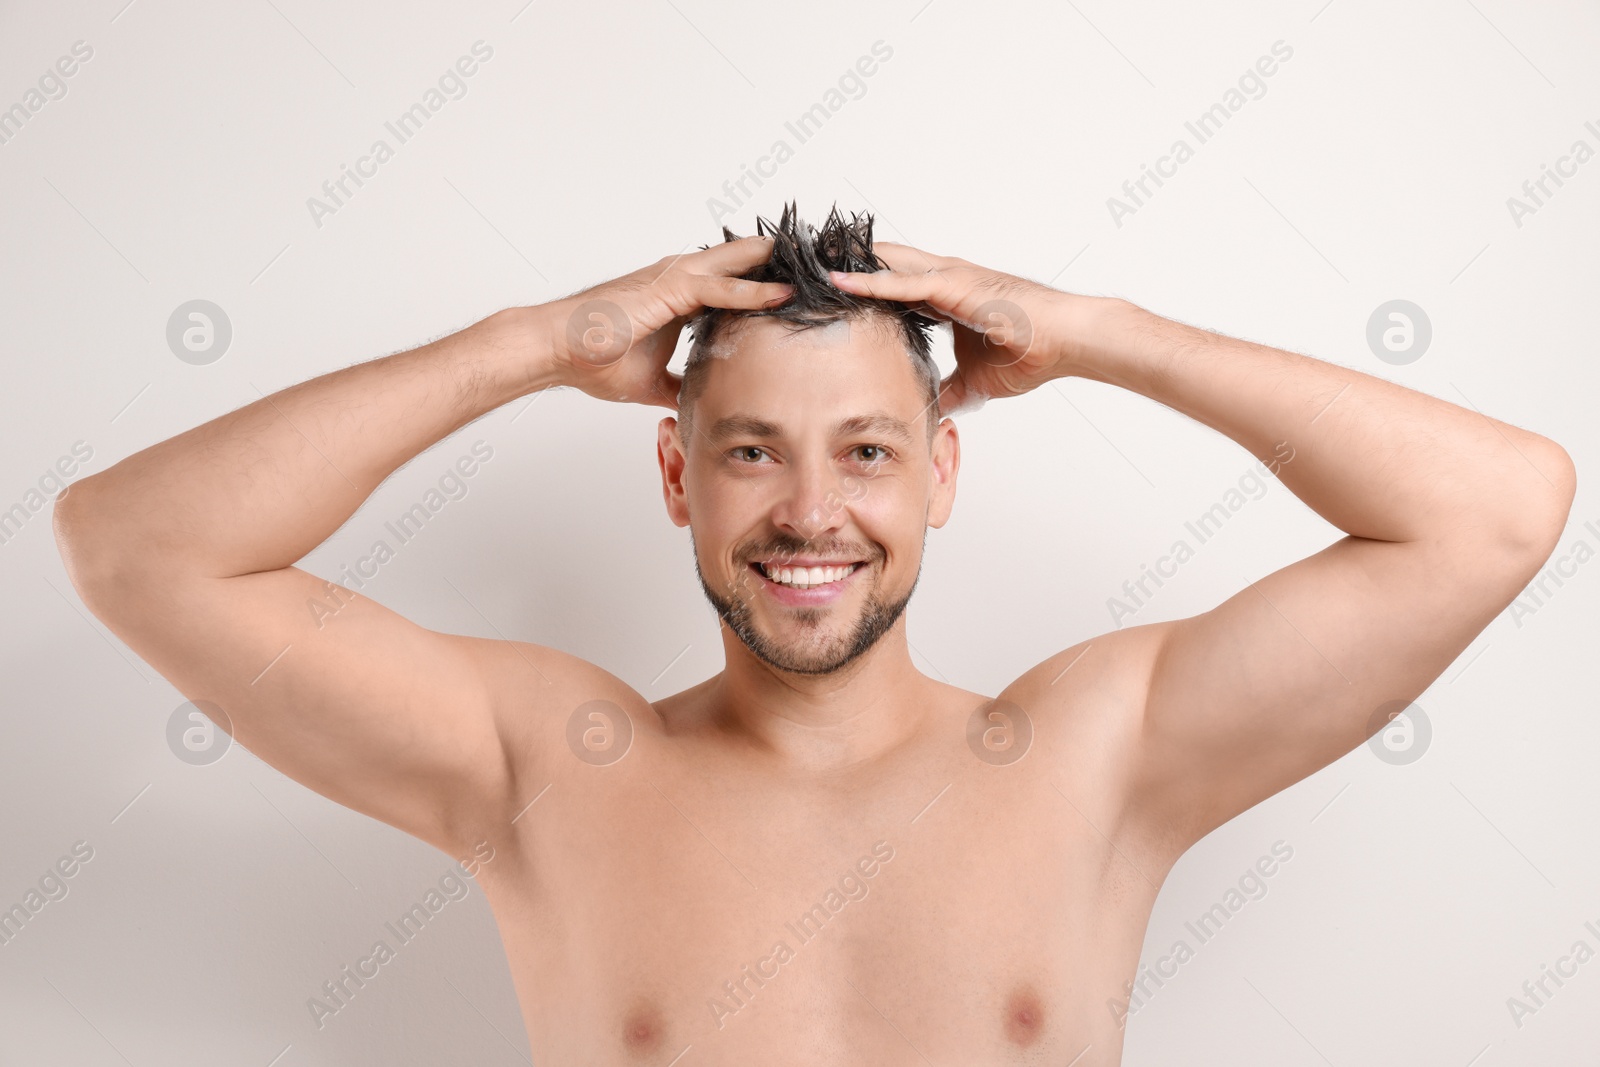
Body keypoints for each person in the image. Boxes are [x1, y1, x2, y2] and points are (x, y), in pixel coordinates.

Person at [53, 202, 1574, 1064]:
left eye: (864, 450)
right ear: (677, 475)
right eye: (749, 450)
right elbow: (132, 546)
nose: (808, 514)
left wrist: (1100, 333)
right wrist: (543, 343)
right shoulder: (543, 766)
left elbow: (1500, 508)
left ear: (941, 470)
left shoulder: (1098, 754)